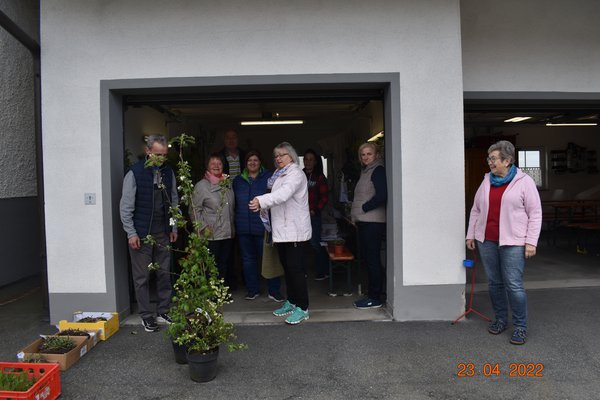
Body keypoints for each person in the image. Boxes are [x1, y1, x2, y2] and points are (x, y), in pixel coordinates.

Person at [466, 140, 542, 345]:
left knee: (514, 285)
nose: (490, 162)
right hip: (487, 240)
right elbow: (476, 209)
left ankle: (520, 327)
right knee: (494, 283)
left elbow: (535, 213)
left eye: (493, 159)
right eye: (489, 158)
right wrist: (471, 234)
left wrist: (531, 242)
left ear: (507, 161)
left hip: (513, 241)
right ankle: (501, 319)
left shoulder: (524, 181)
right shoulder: (486, 181)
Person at [120, 135, 178, 332]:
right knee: (142, 276)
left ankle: (163, 310)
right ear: (148, 151)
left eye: (164, 155)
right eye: (157, 155)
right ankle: (146, 315)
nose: (161, 159)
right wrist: (131, 233)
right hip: (142, 233)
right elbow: (126, 207)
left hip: (163, 232)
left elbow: (174, 203)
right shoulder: (135, 173)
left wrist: (173, 227)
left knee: (164, 273)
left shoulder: (168, 172)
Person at [249, 142, 312, 325]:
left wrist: (261, 200)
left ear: (291, 156)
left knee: (296, 270)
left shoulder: (296, 174)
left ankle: (303, 307)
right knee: (289, 270)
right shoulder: (278, 175)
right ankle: (292, 302)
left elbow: (284, 194)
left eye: (282, 155)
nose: (278, 158)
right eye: (276, 156)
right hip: (282, 231)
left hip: (294, 231)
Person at [233, 150, 284, 301]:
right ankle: (252, 290)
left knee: (269, 259)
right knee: (248, 260)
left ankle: (274, 291)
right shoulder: (237, 181)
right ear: (245, 163)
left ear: (260, 162)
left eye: (256, 160)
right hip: (243, 227)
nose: (253, 163)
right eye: (250, 160)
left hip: (263, 227)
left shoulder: (269, 178)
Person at [351, 142, 387, 310]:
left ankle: (375, 297)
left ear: (376, 155)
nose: (366, 157)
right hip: (365, 221)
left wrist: (364, 208)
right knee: (370, 259)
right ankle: (374, 293)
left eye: (369, 154)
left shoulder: (378, 170)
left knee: (372, 259)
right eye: (363, 154)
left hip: (373, 222)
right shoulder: (366, 171)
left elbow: (382, 195)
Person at [190, 153, 235, 280]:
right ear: (207, 166)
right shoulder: (201, 186)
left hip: (227, 233)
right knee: (211, 266)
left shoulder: (227, 183)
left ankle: (220, 291)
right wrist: (203, 228)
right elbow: (193, 210)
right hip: (211, 235)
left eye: (219, 163)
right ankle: (212, 295)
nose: (216, 166)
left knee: (223, 264)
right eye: (213, 163)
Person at [302, 149, 330, 281]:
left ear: (315, 162)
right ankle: (302, 272)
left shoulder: (319, 176)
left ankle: (322, 271)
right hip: (300, 217)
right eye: (306, 159)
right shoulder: (299, 175)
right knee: (300, 244)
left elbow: (324, 197)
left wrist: (315, 210)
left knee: (315, 243)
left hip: (313, 216)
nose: (308, 161)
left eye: (311, 159)